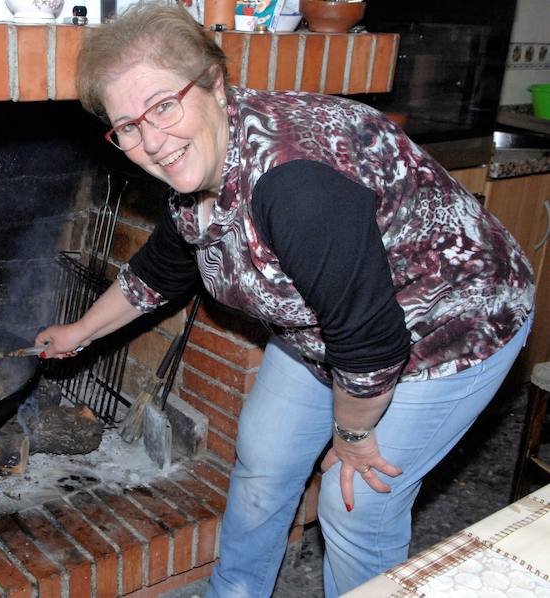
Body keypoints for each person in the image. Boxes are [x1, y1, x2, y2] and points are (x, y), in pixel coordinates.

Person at [34, 3, 535, 596]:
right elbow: (159, 271)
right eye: (129, 126)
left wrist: (351, 438)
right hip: (334, 323)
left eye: (164, 105)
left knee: (355, 505)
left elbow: (371, 345)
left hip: (452, 321)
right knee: (265, 458)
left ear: (217, 85)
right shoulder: (199, 165)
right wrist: (79, 332)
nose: (153, 140)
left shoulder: (294, 184)